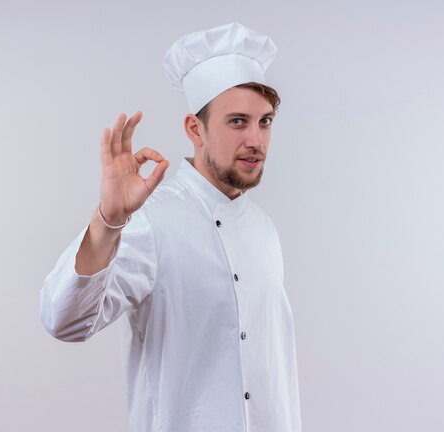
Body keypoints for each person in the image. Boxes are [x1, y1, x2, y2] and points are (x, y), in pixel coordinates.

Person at [40, 22, 301, 432]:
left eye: (264, 121)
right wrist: (109, 221)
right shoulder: (151, 221)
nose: (256, 140)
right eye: (237, 122)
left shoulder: (264, 230)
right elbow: (63, 320)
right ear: (194, 129)